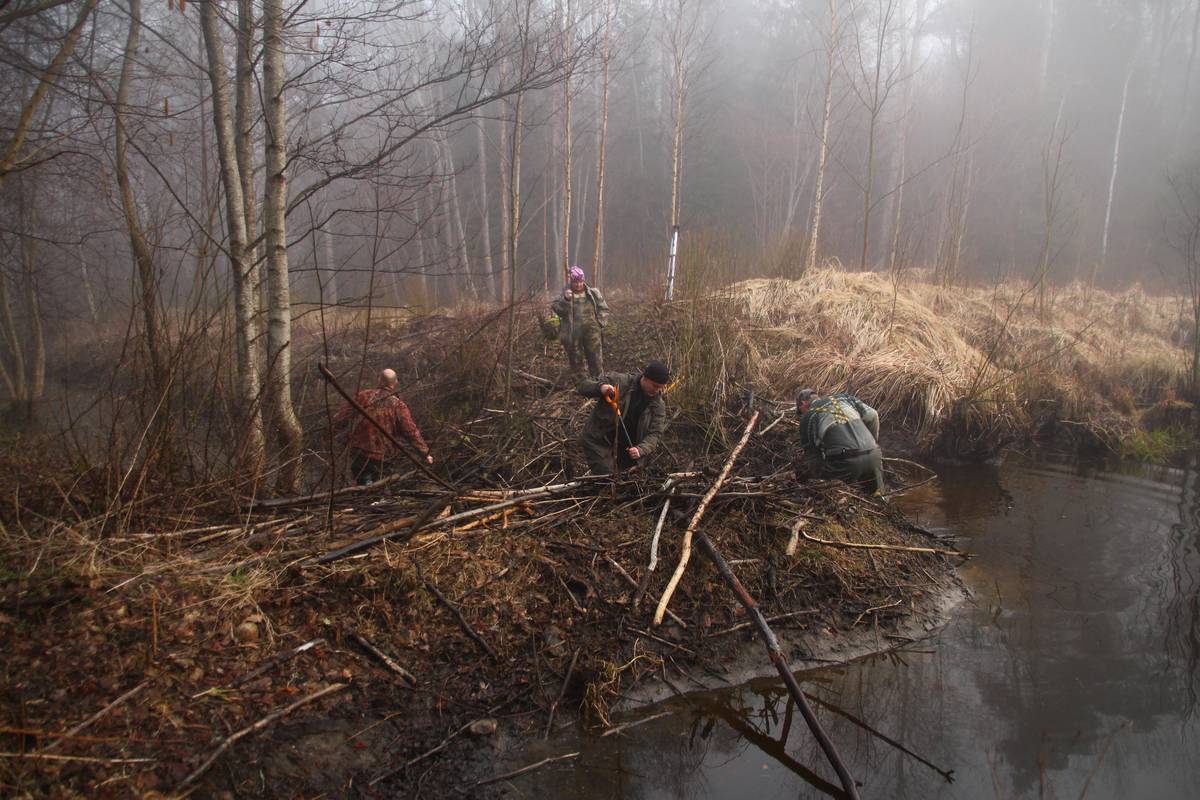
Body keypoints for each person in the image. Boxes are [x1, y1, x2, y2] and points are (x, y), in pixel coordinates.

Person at [336, 368, 433, 485]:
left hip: (360, 454)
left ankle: (368, 499)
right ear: (395, 383)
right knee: (381, 488)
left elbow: (340, 419)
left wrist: (333, 438)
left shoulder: (361, 397)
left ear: (379, 380)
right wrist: (425, 453)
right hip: (385, 457)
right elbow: (410, 431)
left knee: (363, 487)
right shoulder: (398, 405)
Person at [576, 362, 671, 475]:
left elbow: (655, 433)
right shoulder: (619, 381)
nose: (658, 390)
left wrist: (641, 449)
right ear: (645, 378)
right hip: (598, 440)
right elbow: (582, 386)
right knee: (607, 476)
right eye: (655, 386)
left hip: (628, 451)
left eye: (661, 387)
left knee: (626, 481)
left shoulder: (658, 406)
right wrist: (600, 387)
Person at [795, 388, 885, 495]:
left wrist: (820, 478)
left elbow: (813, 457)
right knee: (878, 498)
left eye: (800, 411)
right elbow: (873, 415)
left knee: (827, 494)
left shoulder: (807, 417)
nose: (801, 415)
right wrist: (872, 444)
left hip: (845, 461)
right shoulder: (844, 398)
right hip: (874, 455)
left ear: (803, 403)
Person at [551, 266, 609, 376]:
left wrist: (600, 323)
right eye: (576, 282)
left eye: (581, 281)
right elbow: (558, 310)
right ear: (571, 281)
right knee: (577, 365)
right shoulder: (564, 294)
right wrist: (566, 300)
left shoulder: (593, 293)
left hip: (592, 334)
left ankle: (599, 385)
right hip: (573, 335)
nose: (578, 285)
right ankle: (582, 388)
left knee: (596, 363)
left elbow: (604, 309)